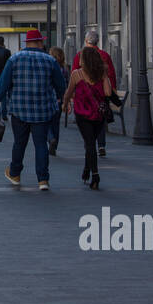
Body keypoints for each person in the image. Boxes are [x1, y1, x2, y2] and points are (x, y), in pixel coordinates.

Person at [0, 30, 64, 193]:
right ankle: (43, 179)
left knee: (20, 143)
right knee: (41, 145)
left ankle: (15, 173)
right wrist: (64, 100)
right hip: (42, 111)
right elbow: (60, 85)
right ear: (39, 42)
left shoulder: (14, 59)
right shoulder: (50, 60)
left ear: (27, 43)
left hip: (19, 109)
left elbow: (3, 84)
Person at [64, 46, 111, 189]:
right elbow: (108, 93)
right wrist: (105, 75)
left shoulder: (76, 74)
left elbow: (69, 92)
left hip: (82, 115)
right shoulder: (101, 73)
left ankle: (95, 175)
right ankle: (86, 169)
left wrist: (65, 104)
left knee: (89, 143)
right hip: (98, 115)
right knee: (90, 142)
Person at [72, 31, 118, 158]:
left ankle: (89, 144)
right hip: (101, 94)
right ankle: (101, 145)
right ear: (97, 41)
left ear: (86, 41)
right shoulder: (104, 55)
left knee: (86, 118)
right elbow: (111, 75)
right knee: (100, 118)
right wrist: (111, 91)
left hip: (85, 95)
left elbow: (75, 74)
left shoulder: (80, 55)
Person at [48, 47, 71, 156]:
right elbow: (66, 86)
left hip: (49, 99)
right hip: (60, 100)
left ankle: (51, 138)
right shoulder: (65, 69)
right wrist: (66, 101)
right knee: (56, 123)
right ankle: (55, 144)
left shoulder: (49, 67)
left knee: (47, 122)